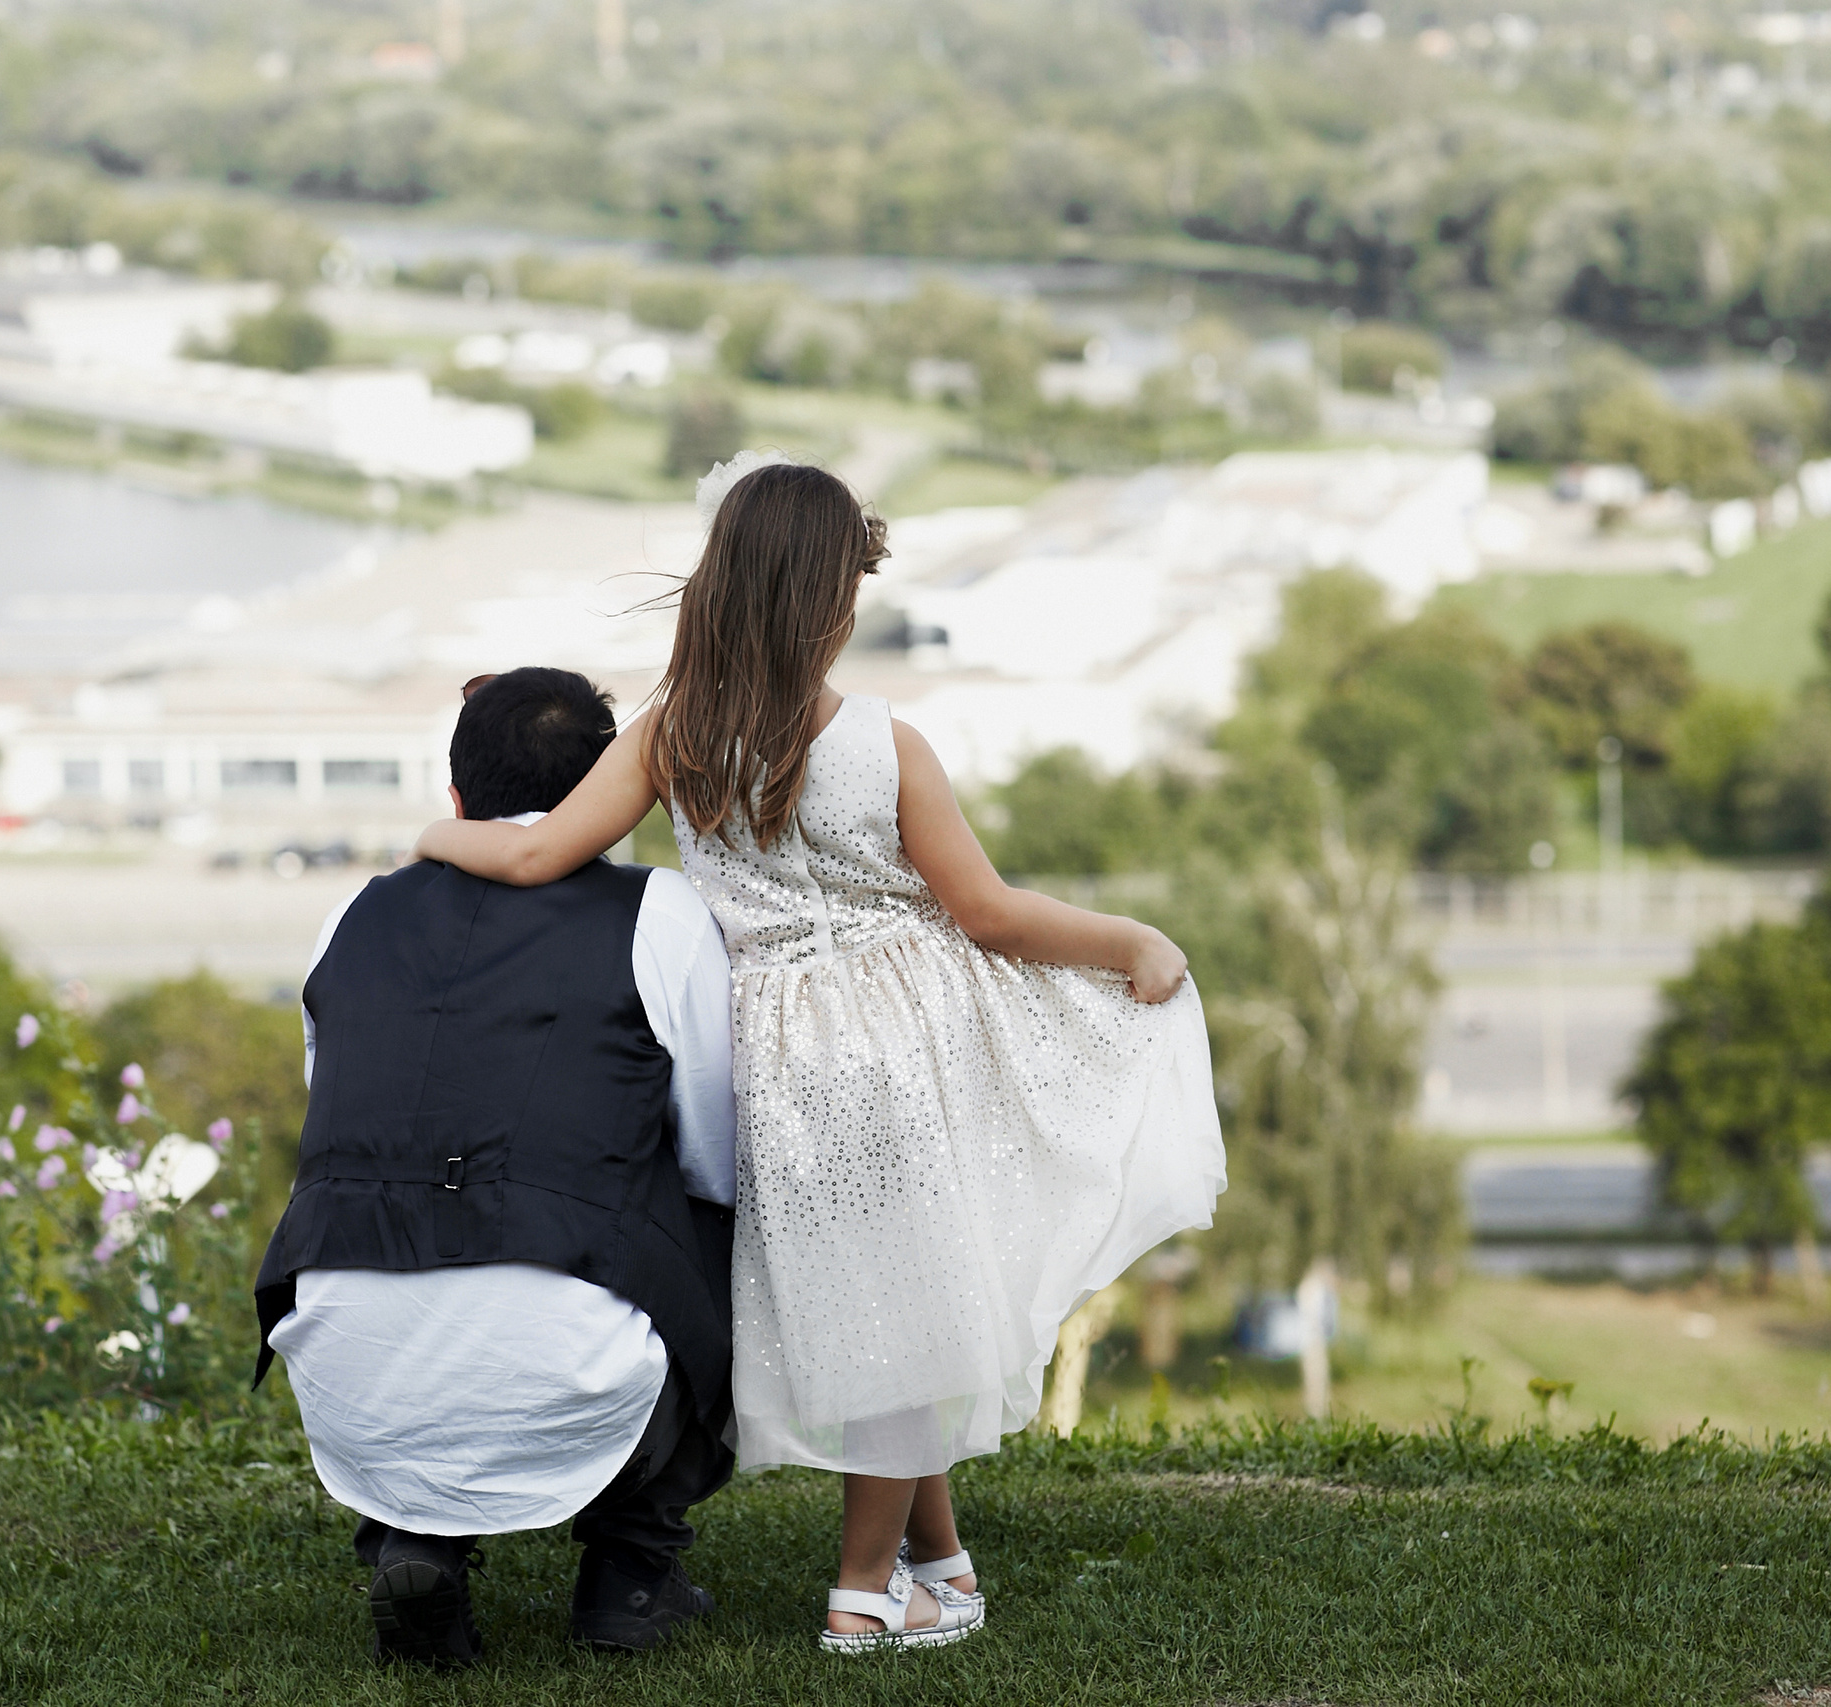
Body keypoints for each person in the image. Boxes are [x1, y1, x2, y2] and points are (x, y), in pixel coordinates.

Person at [412, 456, 1227, 1654]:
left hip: (767, 1055)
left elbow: (536, 856)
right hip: (900, 1048)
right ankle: (861, 1595)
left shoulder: (670, 737)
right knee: (908, 1308)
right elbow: (988, 914)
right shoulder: (885, 742)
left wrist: (437, 838)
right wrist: (1130, 942)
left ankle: (938, 1560)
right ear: (829, 605)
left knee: (894, 1305)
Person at [252, 667, 739, 1668]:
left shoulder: (355, 912)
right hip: (577, 1364)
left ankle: (413, 1541)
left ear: (456, 794)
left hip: (348, 1362)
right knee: (713, 1213)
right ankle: (630, 1572)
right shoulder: (657, 910)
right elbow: (712, 1149)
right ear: (609, 791)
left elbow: (333, 1101)